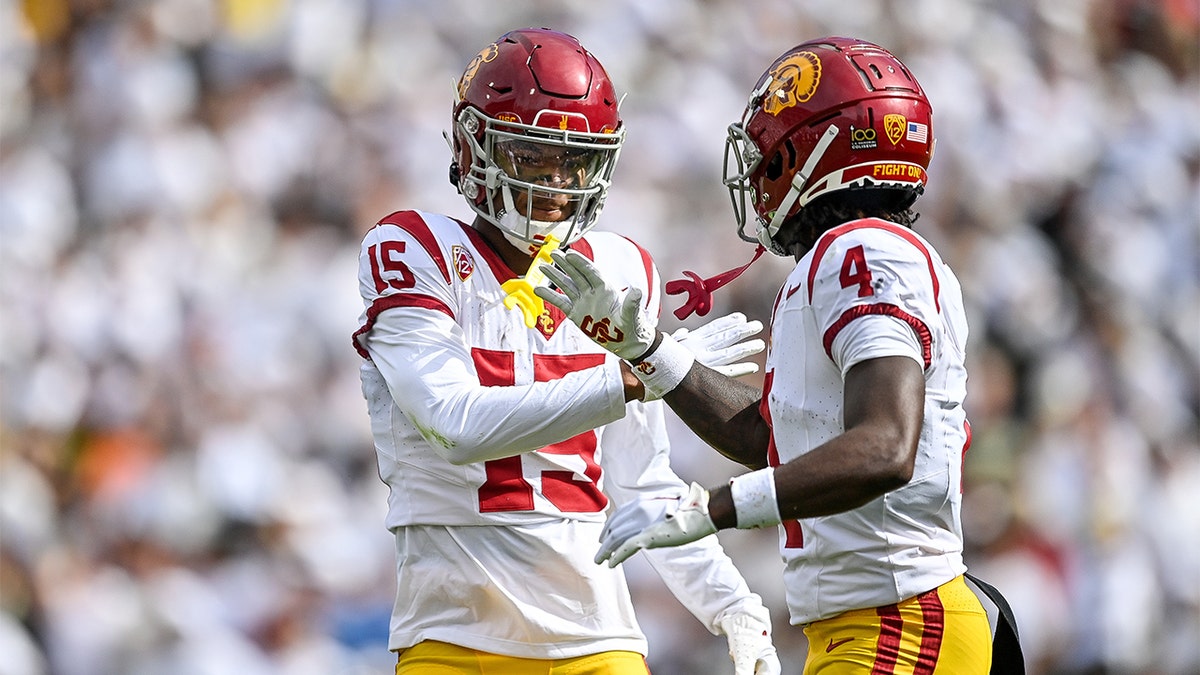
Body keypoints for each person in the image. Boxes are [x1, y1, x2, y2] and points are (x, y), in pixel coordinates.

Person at [537, 37, 1024, 673]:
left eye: (772, 146)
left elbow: (885, 447)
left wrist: (713, 509)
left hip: (901, 626)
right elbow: (774, 436)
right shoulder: (852, 255)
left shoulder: (864, 250)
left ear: (814, 151)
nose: (760, 167)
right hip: (874, 628)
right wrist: (648, 351)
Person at [352, 27, 780, 675]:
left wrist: (734, 604)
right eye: (531, 157)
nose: (556, 184)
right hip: (455, 639)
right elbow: (453, 423)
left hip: (598, 640)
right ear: (473, 149)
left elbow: (642, 485)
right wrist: (633, 377)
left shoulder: (619, 268)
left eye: (575, 162)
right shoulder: (416, 248)